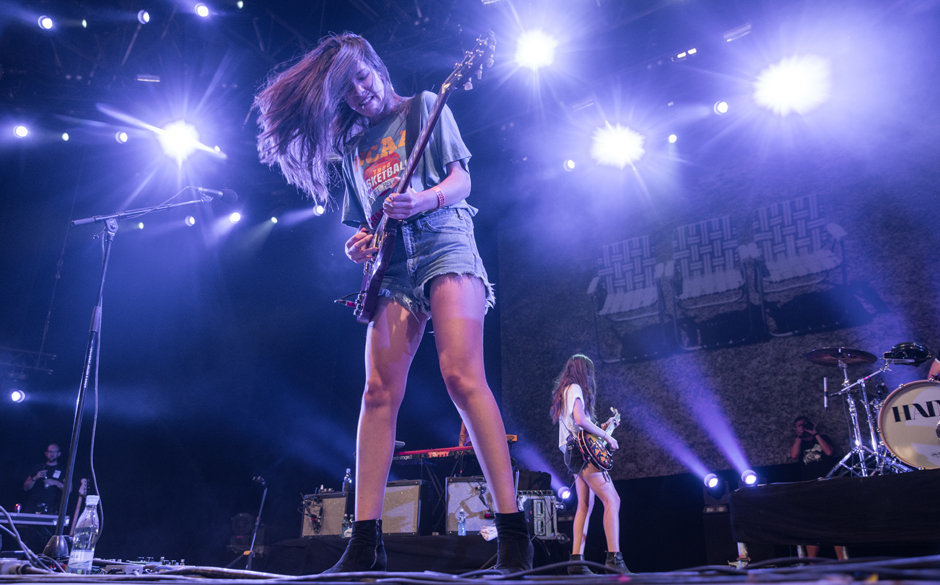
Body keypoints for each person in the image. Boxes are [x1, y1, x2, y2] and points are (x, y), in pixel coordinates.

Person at [254, 33, 532, 574]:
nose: (360, 93)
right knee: (377, 392)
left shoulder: (425, 106)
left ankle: (514, 533)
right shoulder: (355, 150)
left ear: (377, 69)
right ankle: (364, 542)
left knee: (460, 376)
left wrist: (421, 199)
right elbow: (366, 226)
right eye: (348, 90)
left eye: (363, 78)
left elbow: (461, 180)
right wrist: (359, 242)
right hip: (394, 265)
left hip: (445, 237)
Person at [549, 354, 629, 574]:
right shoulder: (575, 387)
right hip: (582, 454)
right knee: (612, 499)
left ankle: (576, 561)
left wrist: (607, 427)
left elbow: (583, 429)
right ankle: (615, 561)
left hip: (573, 453)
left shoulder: (565, 390)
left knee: (584, 505)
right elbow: (580, 421)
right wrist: (609, 437)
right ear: (585, 372)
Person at [788, 416, 845, 560]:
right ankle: (811, 564)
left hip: (827, 485)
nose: (803, 427)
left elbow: (829, 452)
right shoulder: (798, 443)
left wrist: (815, 433)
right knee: (812, 526)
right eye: (799, 426)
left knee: (834, 525)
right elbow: (794, 455)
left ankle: (843, 561)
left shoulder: (822, 437)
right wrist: (799, 436)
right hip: (809, 488)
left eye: (804, 424)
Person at [22, 443, 65, 515]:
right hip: (33, 507)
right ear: (46, 453)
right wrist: (36, 477)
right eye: (50, 451)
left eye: (54, 452)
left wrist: (55, 482)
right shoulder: (38, 467)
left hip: (51, 508)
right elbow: (25, 487)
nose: (52, 454)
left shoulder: (63, 469)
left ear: (59, 454)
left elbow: (69, 490)